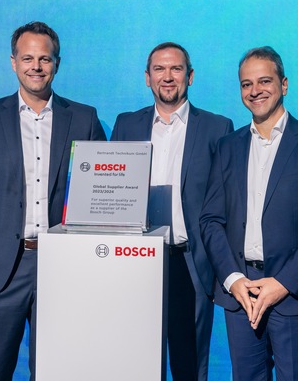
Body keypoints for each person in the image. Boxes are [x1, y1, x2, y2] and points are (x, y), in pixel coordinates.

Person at [0, 21, 106, 381]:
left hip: (64, 267)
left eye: (44, 59)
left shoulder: (84, 118)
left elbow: (99, 194)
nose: (36, 66)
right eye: (28, 58)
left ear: (57, 64)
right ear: (13, 62)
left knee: (56, 371)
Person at [200, 46, 298, 381]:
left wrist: (283, 283)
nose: (255, 90)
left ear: (284, 84)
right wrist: (233, 280)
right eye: (246, 84)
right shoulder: (227, 146)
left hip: (293, 293)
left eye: (264, 81)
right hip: (241, 293)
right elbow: (211, 220)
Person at [111, 42, 233, 381]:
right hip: (135, 258)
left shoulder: (217, 127)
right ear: (147, 78)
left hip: (189, 259)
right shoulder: (126, 125)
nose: (168, 76)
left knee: (189, 363)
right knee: (136, 359)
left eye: (176, 69)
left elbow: (226, 200)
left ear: (190, 76)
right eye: (159, 69)